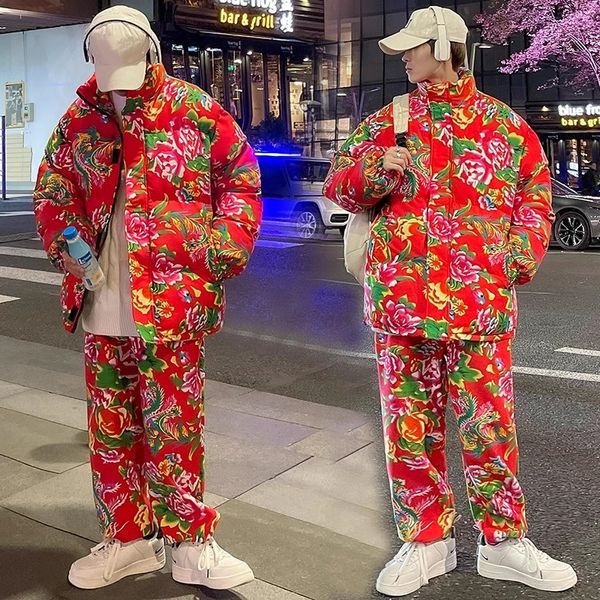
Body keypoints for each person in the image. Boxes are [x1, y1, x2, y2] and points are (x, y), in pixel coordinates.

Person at [323, 6, 577, 597]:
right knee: (408, 428)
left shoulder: (506, 127)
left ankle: (503, 543)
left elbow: (534, 200)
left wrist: (509, 263)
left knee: (489, 428)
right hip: (400, 306)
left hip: (478, 311)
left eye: (412, 48)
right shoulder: (389, 121)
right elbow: (339, 186)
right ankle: (426, 540)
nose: (403, 57)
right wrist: (375, 171)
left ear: (443, 46)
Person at [33, 5, 262, 591]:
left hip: (173, 302)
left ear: (153, 55)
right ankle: (129, 538)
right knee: (112, 428)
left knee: (176, 425)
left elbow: (239, 179)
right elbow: (52, 193)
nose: (123, 93)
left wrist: (219, 249)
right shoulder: (77, 122)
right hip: (101, 302)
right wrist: (73, 254)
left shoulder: (195, 112)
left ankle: (189, 540)